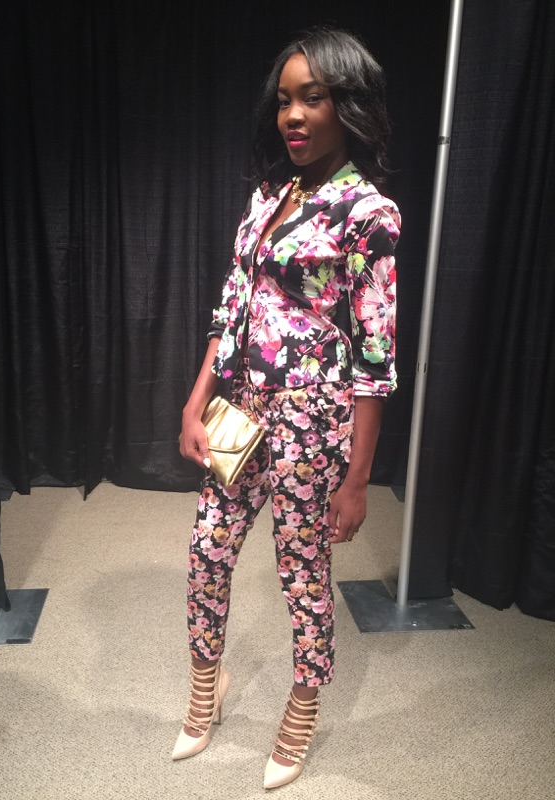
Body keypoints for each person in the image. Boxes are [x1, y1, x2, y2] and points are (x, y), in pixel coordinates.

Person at [174, 25, 400, 789]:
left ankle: (302, 706)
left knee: (301, 573)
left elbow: (375, 356)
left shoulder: (367, 213)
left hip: (311, 421)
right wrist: (197, 400)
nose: (293, 116)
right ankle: (206, 684)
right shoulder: (269, 195)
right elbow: (232, 305)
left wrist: (357, 478)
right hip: (240, 406)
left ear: (348, 106)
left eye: (313, 98)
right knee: (207, 548)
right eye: (283, 101)